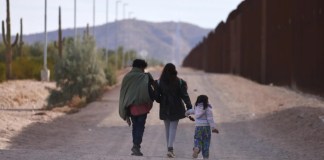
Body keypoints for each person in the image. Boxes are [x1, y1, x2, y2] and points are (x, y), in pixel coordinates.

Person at [154, 63, 193, 158]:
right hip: (176, 106)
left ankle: (169, 149)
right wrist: (189, 107)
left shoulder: (159, 82)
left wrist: (162, 99)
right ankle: (170, 149)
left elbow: (157, 97)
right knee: (173, 128)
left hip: (164, 107)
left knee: (167, 128)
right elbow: (185, 96)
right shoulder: (180, 82)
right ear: (174, 71)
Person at [119, 59, 155, 156]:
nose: (144, 70)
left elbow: (123, 93)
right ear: (141, 67)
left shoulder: (127, 77)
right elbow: (153, 88)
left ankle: (135, 145)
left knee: (135, 127)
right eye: (143, 68)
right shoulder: (145, 76)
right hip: (143, 108)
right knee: (140, 127)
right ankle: (136, 146)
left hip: (131, 108)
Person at [185, 95, 219, 159]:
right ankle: (205, 157)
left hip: (198, 127)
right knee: (206, 141)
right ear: (206, 101)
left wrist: (187, 113)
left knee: (197, 139)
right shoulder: (208, 109)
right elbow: (210, 119)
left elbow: (191, 111)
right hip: (206, 128)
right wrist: (213, 127)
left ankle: (197, 147)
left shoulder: (196, 108)